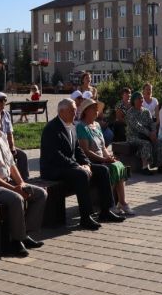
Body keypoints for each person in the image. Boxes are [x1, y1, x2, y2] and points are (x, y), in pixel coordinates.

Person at [0, 102, 47, 257]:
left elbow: (11, 165)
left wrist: (22, 183)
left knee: (40, 194)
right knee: (16, 198)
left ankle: (24, 233)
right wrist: (14, 189)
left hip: (3, 182)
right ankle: (15, 241)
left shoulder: (1, 135)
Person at [40, 98, 125, 230]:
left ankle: (106, 211)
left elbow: (78, 150)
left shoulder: (72, 126)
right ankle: (85, 217)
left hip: (70, 166)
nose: (75, 114)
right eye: (72, 111)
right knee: (81, 175)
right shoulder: (51, 128)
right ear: (62, 112)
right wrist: (78, 166)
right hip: (54, 169)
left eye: (75, 111)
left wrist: (86, 164)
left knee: (103, 170)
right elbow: (56, 156)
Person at [76, 98, 133, 215]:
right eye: (94, 109)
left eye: (97, 109)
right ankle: (108, 204)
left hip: (102, 159)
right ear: (86, 111)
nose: (97, 111)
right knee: (110, 168)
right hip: (91, 161)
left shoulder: (96, 125)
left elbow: (103, 147)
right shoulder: (81, 127)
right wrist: (104, 159)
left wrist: (109, 157)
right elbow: (85, 151)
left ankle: (122, 202)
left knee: (119, 165)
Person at [125, 91, 162, 175]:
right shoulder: (130, 112)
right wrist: (149, 134)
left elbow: (151, 123)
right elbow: (137, 126)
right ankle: (145, 167)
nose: (141, 100)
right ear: (133, 100)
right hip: (134, 136)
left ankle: (160, 166)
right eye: (139, 98)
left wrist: (154, 132)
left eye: (141, 98)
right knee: (146, 144)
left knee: (159, 143)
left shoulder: (146, 111)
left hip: (147, 135)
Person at [0, 92, 29, 180]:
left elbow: (10, 133)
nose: (3, 103)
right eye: (1, 100)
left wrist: (12, 147)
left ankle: (25, 180)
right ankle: (10, 179)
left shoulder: (6, 114)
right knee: (6, 158)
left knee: (22, 155)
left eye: (5, 100)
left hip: (6, 145)